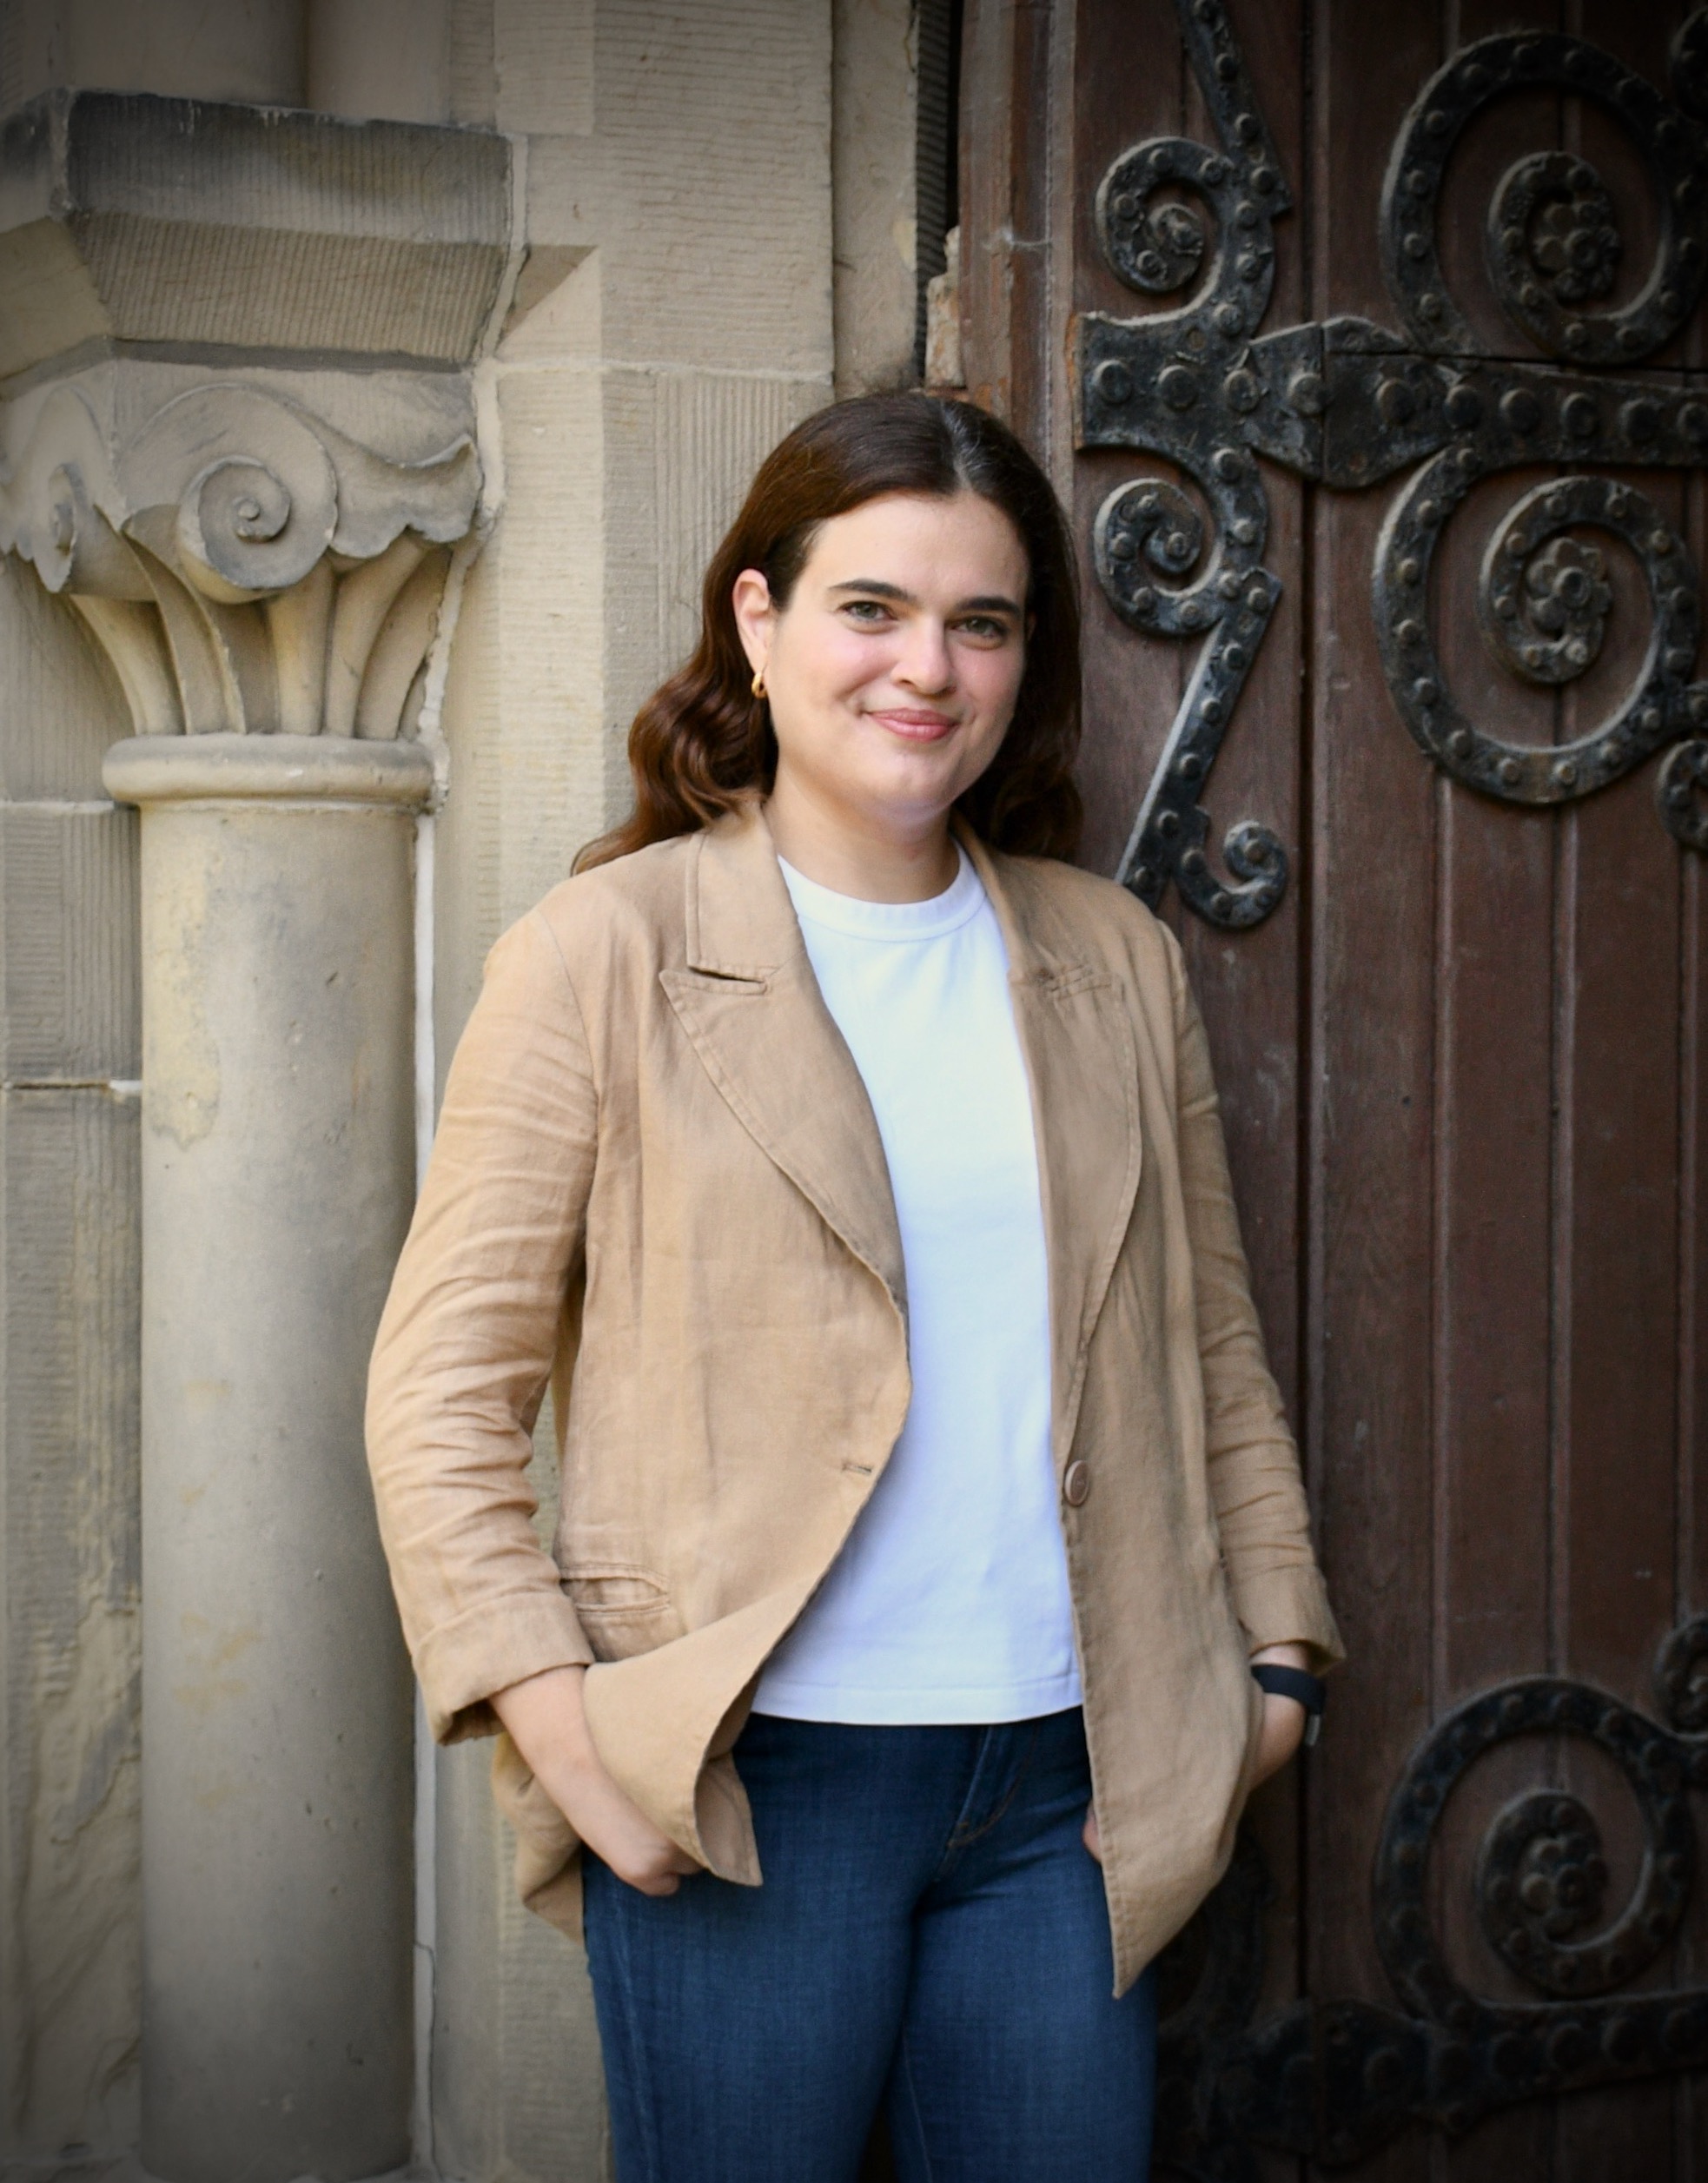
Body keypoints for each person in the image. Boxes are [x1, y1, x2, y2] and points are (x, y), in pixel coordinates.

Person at [365, 392, 1342, 2183]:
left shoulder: (1105, 956)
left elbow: (1208, 1345)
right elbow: (442, 1389)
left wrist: (1272, 1673)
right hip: (752, 1783)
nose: (927, 670)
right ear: (759, 619)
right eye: (870, 609)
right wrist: (573, 1739)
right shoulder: (606, 951)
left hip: (1069, 1785)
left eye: (980, 622)